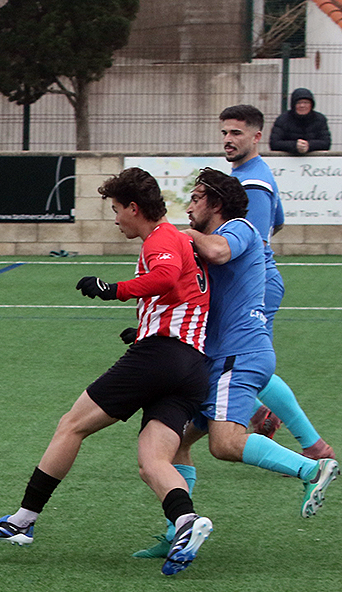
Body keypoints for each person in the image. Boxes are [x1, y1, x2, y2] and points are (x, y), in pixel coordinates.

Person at [0, 167, 214, 576]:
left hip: (160, 357)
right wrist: (144, 328)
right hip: (192, 366)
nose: (116, 219)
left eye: (117, 210)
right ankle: (187, 521)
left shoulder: (161, 238)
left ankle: (24, 520)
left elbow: (164, 278)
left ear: (134, 208)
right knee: (152, 461)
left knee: (72, 425)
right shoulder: (181, 240)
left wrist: (112, 289)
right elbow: (182, 296)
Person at [140, 170, 338, 558]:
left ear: (216, 203)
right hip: (219, 360)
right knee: (176, 443)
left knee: (225, 443)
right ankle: (176, 532)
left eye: (196, 198)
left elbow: (218, 252)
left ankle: (313, 468)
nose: (189, 206)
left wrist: (177, 234)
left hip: (238, 356)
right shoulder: (206, 244)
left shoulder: (240, 229)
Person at [220, 104, 333, 461]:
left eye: (236, 133)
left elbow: (251, 241)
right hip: (252, 281)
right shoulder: (252, 173)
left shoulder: (253, 182)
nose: (228, 139)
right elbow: (278, 221)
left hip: (254, 284)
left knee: (250, 361)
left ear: (256, 137)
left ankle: (313, 445)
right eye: (224, 132)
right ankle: (262, 415)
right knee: (229, 356)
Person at [269, 88, 331, 154]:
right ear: (293, 105)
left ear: (311, 105)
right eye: (299, 103)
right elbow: (274, 143)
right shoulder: (282, 119)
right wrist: (295, 145)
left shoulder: (320, 119)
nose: (302, 106)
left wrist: (309, 145)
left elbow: (326, 143)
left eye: (306, 103)